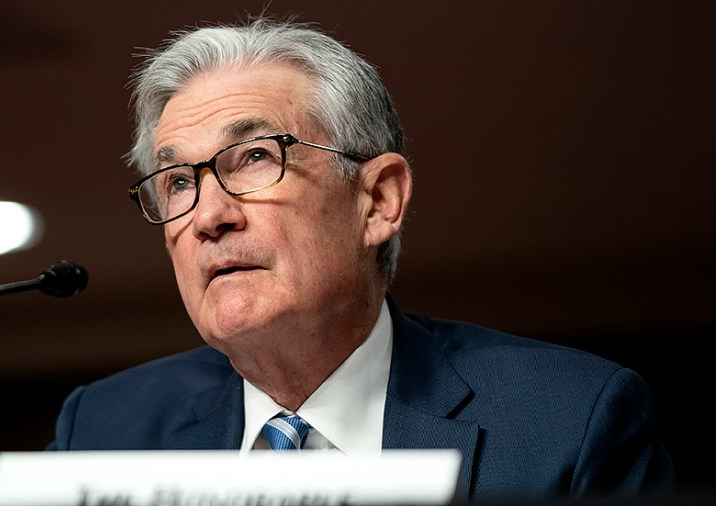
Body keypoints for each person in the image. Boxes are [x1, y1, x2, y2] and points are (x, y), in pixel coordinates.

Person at [48, 15, 675, 501]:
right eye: (179, 181)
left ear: (377, 200)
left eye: (257, 157)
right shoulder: (102, 430)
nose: (209, 216)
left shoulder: (569, 420)